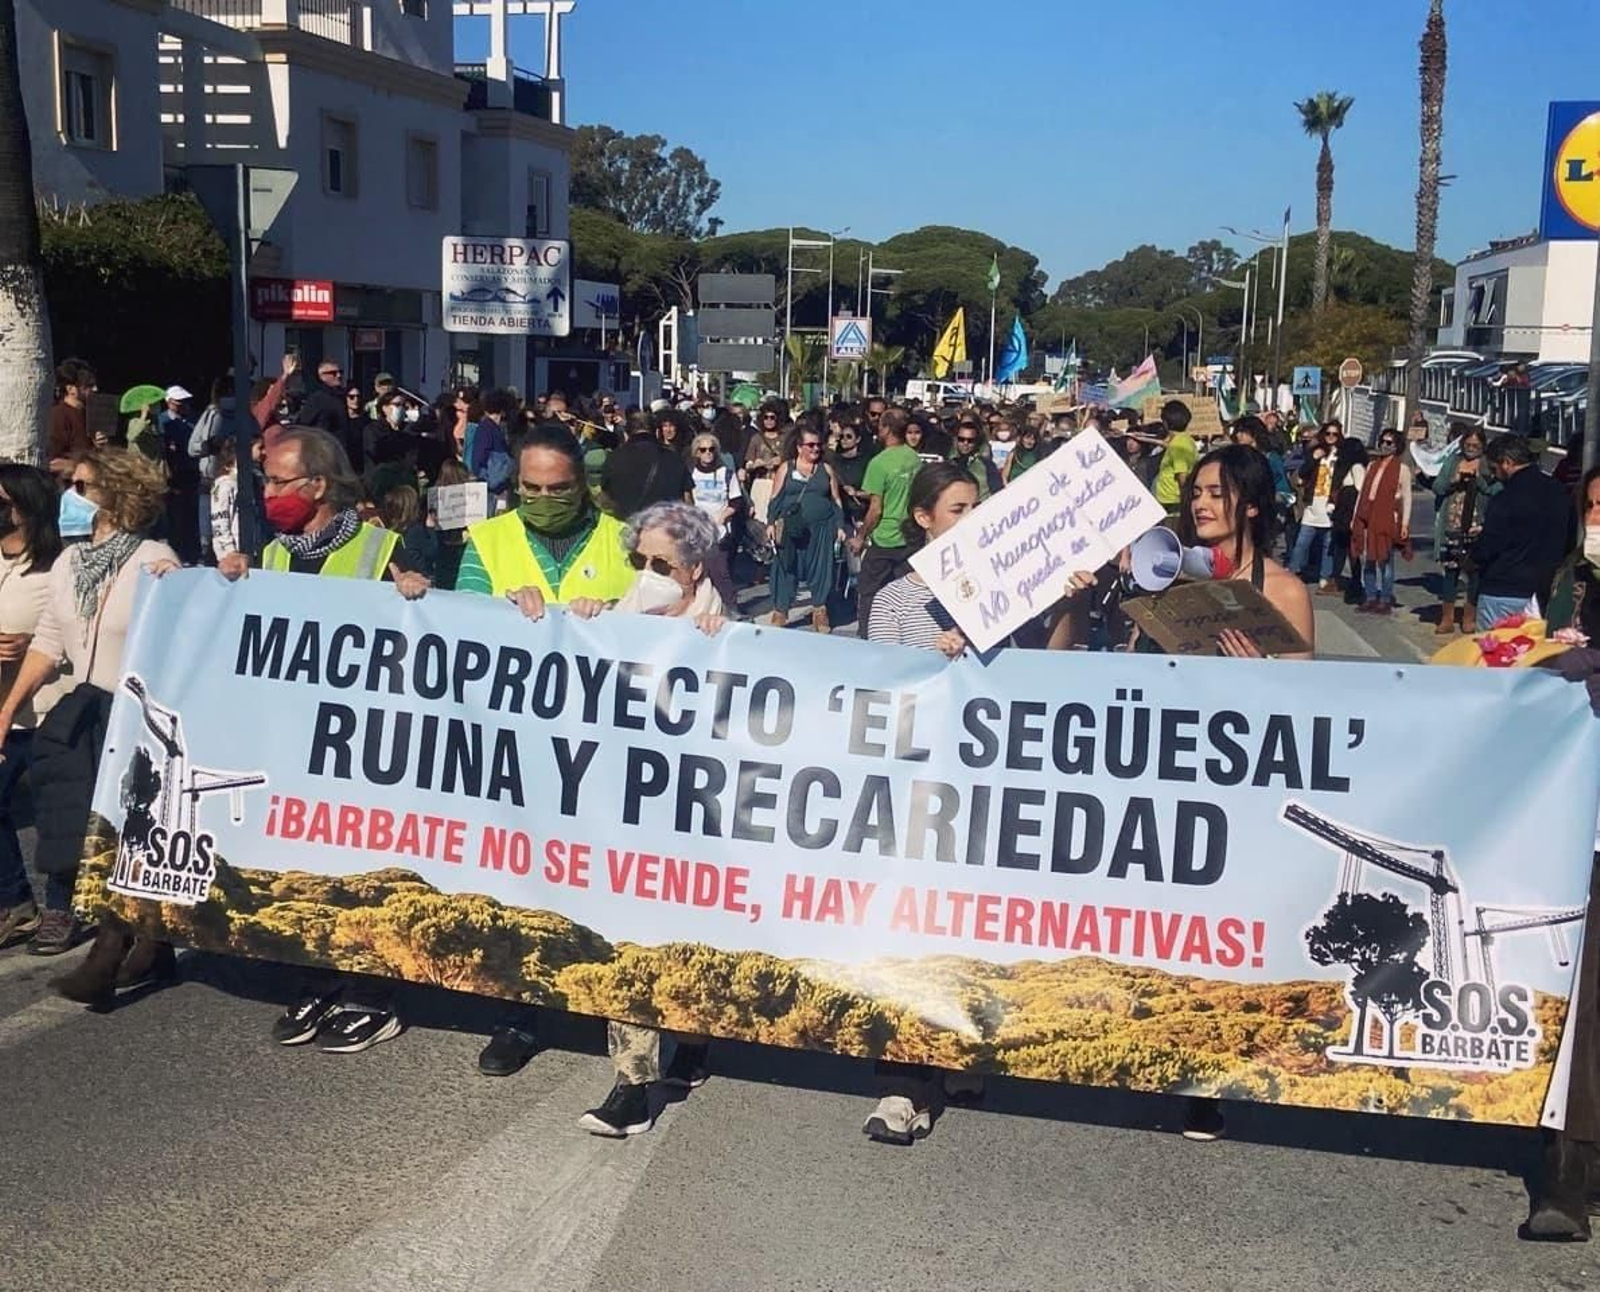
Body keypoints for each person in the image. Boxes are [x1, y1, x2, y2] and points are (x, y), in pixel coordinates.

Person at [1050, 443, 1312, 1142]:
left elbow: (1308, 704)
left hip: (1230, 788)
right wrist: (1087, 598)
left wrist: (1261, 676)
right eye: (1195, 491)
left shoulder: (1283, 590)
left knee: (1213, 935)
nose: (1200, 503)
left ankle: (1205, 1081)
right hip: (1157, 774)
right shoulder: (1160, 573)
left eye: (1217, 493)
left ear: (1251, 505)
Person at [206, 427, 429, 1049]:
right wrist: (226, 583)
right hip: (294, 745)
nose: (268, 493)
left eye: (279, 481)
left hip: (362, 745)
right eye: (267, 481)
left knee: (362, 872)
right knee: (302, 870)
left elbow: (431, 637)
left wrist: (415, 594)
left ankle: (373, 993)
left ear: (319, 485)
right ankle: (321, 977)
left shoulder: (385, 548)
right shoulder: (272, 555)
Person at [453, 425, 637, 1076]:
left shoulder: (624, 540)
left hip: (604, 743)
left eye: (557, 489)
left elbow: (664, 623)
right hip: (520, 743)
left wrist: (616, 611)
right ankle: (517, 1015)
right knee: (516, 881)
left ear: (581, 485)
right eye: (530, 488)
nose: (543, 499)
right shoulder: (489, 541)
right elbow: (458, 624)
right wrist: (500, 609)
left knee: (605, 879)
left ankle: (609, 1004)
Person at [0, 452, 179, 1002]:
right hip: (85, 712)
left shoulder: (153, 559)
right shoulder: (69, 563)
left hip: (139, 715)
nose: (69, 495)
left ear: (117, 494)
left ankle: (110, 948)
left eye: (81, 485)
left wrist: (178, 587)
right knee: (86, 827)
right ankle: (148, 942)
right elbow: (50, 642)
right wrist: (6, 710)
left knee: (129, 833)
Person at [578, 501, 728, 1136]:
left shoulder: (728, 633)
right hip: (629, 816)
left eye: (661, 565)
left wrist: (722, 646)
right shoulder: (616, 621)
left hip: (697, 821)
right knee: (629, 941)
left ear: (694, 570)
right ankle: (632, 1087)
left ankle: (692, 1039)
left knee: (687, 942)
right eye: (638, 561)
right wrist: (579, 623)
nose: (646, 575)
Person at [0, 467, 67, 949]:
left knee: (55, 817)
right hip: (5, 711)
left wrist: (36, 643)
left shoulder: (58, 567)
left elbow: (72, 631)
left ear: (26, 507)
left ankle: (62, 909)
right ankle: (16, 902)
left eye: (3, 501)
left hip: (50, 709)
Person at [1471, 433, 1577, 631]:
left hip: (1502, 590)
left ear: (1507, 463)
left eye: (1494, 469)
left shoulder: (1505, 499)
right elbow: (1570, 539)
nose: (1494, 475)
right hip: (1545, 591)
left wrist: (1472, 554)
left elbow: (1488, 547)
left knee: (1494, 647)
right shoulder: (1559, 492)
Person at [850, 409, 923, 636]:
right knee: (907, 591)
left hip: (885, 537)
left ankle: (867, 635)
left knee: (868, 591)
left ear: (886, 429)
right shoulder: (914, 458)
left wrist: (860, 536)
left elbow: (876, 509)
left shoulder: (879, 463)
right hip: (910, 535)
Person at [767, 426, 844, 632]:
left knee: (821, 568)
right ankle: (781, 610)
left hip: (821, 528)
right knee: (785, 567)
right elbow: (775, 498)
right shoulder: (786, 468)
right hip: (791, 527)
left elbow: (836, 499)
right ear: (799, 447)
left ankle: (819, 610)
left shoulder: (826, 469)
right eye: (810, 445)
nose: (815, 449)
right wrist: (771, 522)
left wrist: (840, 525)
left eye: (818, 445)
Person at [1431, 427, 1494, 634]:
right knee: (1451, 571)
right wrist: (1455, 479)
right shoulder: (1453, 461)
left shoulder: (1487, 464)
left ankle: (1469, 617)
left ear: (1482, 447)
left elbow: (1494, 490)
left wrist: (1478, 479)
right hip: (1452, 523)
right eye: (1468, 445)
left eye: (1476, 445)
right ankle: (1447, 618)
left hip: (1476, 524)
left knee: (1474, 572)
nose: (1471, 449)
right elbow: (1438, 487)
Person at [1349, 429, 1412, 615]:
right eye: (1382, 441)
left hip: (1387, 519)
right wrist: (1355, 517)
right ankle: (1370, 596)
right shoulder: (1372, 465)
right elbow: (1363, 494)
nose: (1384, 445)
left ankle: (1385, 598)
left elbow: (1407, 498)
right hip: (1368, 517)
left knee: (1385, 561)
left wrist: (1405, 523)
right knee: (1368, 559)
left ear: (1397, 446)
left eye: (1389, 443)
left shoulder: (1402, 470)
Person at [602, 410, 693, 518]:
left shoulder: (613, 459)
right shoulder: (674, 459)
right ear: (657, 433)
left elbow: (606, 499)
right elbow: (688, 502)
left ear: (626, 434)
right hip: (665, 524)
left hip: (626, 524)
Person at [1288, 421, 1345, 592]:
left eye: (1334, 434)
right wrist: (1314, 458)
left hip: (1330, 504)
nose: (1331, 437)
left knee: (1328, 545)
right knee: (1302, 542)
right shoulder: (1316, 451)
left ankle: (1324, 577)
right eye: (1328, 433)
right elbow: (1303, 472)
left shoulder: (1342, 455)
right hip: (1313, 503)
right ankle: (1293, 572)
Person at [687, 432, 741, 610]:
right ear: (696, 452)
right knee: (697, 572)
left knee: (720, 571)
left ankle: (731, 608)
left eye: (711, 449)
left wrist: (723, 516)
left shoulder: (726, 473)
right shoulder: (690, 473)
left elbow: (736, 501)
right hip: (697, 530)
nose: (708, 453)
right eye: (703, 450)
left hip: (720, 531)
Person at [159, 385, 203, 563]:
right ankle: (177, 551)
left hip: (191, 470)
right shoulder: (161, 420)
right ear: (169, 402)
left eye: (184, 401)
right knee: (175, 515)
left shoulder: (191, 419)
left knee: (191, 514)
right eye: (178, 401)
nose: (182, 404)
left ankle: (192, 552)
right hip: (173, 473)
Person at [48, 360, 97, 478]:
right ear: (71, 389)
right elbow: (50, 462)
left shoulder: (90, 412)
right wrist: (81, 466)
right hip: (68, 483)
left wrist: (99, 445)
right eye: (88, 386)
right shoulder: (58, 415)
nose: (95, 389)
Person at [1150, 400, 1198, 518]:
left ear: (1165, 423)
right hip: (1172, 502)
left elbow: (1182, 475)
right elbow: (1164, 444)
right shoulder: (1185, 439)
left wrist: (1186, 504)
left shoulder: (1178, 444)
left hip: (1172, 504)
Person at [296, 359, 350, 438]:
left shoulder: (342, 396)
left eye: (340, 372)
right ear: (322, 376)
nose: (339, 375)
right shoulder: (317, 399)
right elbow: (303, 425)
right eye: (333, 373)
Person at [949, 420, 1002, 500]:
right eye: (961, 439)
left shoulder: (987, 465)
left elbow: (997, 492)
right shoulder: (948, 464)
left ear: (976, 442)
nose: (965, 443)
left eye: (970, 440)